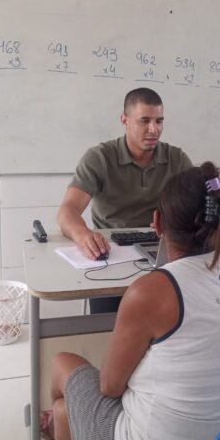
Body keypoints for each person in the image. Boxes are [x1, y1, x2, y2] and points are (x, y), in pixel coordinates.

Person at [41, 162, 220, 440]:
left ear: (157, 223)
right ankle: (63, 421)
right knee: (64, 413)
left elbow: (109, 387)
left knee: (61, 363)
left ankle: (58, 424)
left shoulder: (150, 291)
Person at [57, 87, 192, 312]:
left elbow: (196, 206)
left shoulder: (176, 159)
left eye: (159, 121)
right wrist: (83, 236)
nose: (154, 129)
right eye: (144, 120)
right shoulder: (99, 157)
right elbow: (67, 210)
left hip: (161, 250)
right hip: (111, 254)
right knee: (107, 325)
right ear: (124, 120)